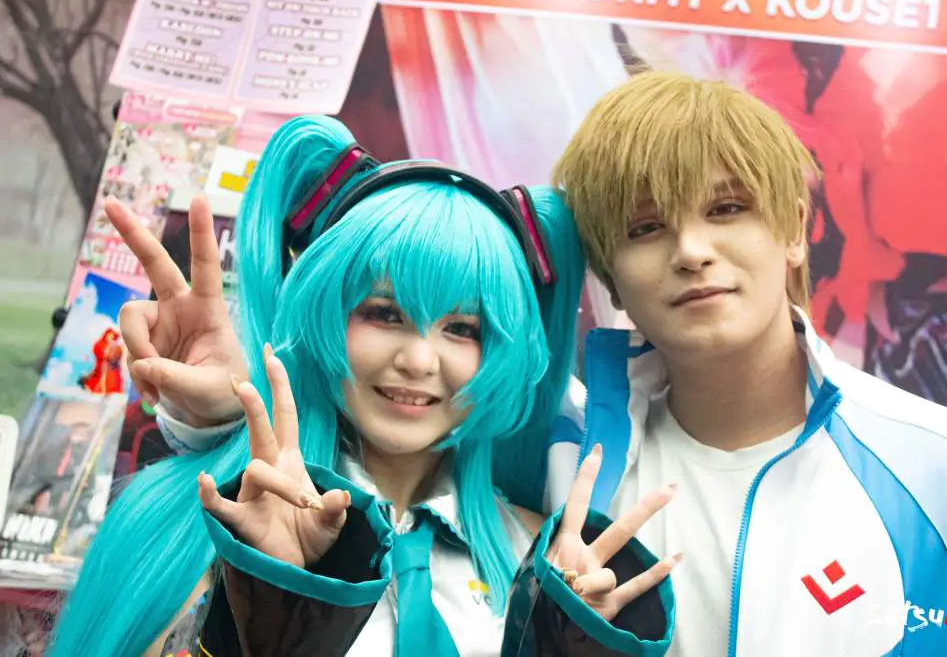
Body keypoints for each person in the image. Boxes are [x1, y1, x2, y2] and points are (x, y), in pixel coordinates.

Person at [47, 115, 679, 657]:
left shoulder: (541, 562)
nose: (419, 359)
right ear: (323, 313)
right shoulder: (201, 522)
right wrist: (261, 600)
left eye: (462, 329)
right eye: (383, 313)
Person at [548, 72, 947, 656]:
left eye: (726, 208)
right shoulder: (562, 467)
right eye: (645, 228)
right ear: (608, 276)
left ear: (795, 230)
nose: (692, 252)